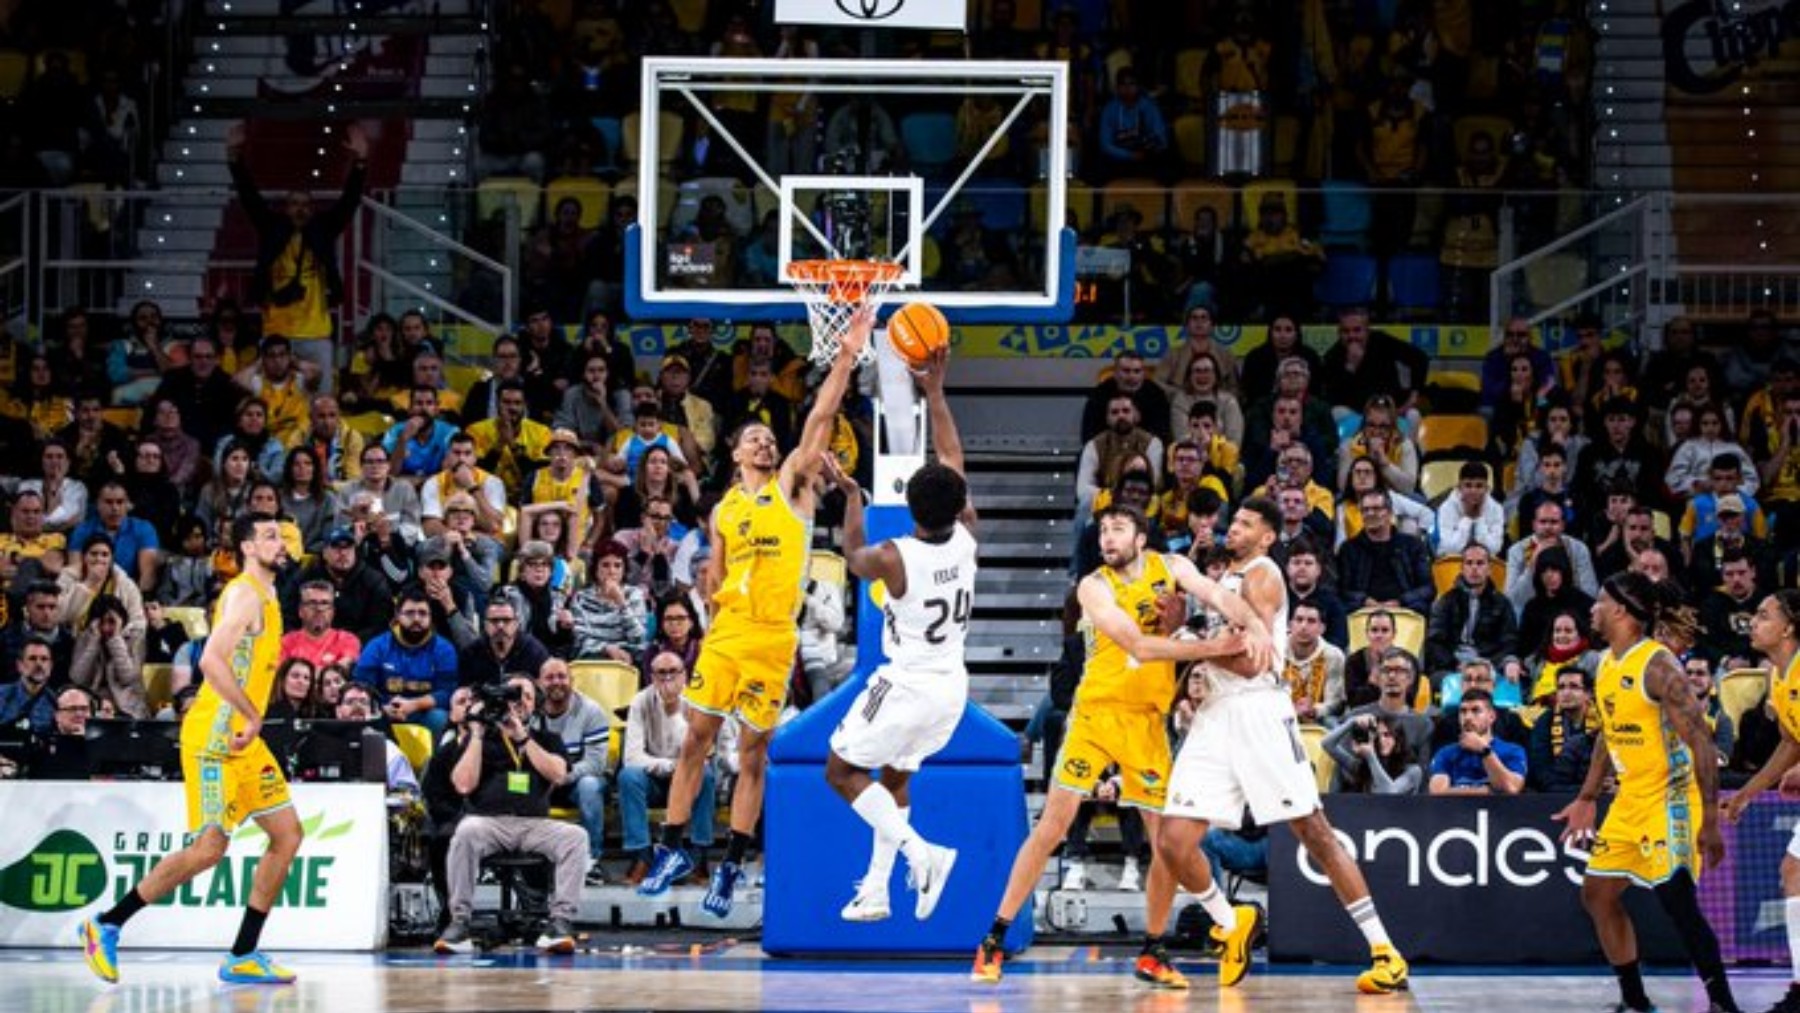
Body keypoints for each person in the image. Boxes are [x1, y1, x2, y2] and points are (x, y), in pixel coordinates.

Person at [971, 503, 1273, 987]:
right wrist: (1212, 648)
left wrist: (1254, 624)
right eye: (1103, 530)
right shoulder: (1092, 587)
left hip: (1148, 722)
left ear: (1141, 537)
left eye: (1118, 529)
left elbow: (1217, 594)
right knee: (1051, 826)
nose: (1107, 538)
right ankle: (994, 940)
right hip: (1095, 717)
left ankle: (1157, 950)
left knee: (1167, 844)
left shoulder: (1171, 567)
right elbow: (1139, 646)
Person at [635, 308, 873, 914]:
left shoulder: (792, 484)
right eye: (754, 438)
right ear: (736, 453)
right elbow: (713, 573)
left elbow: (818, 417)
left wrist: (846, 355)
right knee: (695, 740)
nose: (766, 441)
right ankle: (674, 847)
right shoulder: (722, 511)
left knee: (751, 754)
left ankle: (735, 862)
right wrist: (712, 620)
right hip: (727, 633)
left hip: (773, 636)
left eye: (769, 437)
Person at [1151, 497, 1410, 994]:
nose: (1236, 527)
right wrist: (1176, 628)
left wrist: (1183, 633)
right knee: (1173, 841)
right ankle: (1231, 923)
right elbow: (1207, 652)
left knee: (1315, 832)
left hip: (1258, 711)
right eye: (1237, 519)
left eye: (1247, 523)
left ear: (1268, 537)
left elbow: (1249, 662)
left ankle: (1385, 951)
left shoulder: (1263, 574)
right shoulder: (1224, 581)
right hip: (1213, 716)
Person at [78, 512, 303, 985]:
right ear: (245, 547)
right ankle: (106, 924)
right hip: (215, 739)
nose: (278, 542)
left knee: (287, 835)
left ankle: (243, 953)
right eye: (267, 536)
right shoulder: (244, 594)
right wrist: (251, 713)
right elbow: (213, 662)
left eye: (280, 535)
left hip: (245, 741)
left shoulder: (268, 592)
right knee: (207, 851)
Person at [818, 346, 973, 923]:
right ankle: (878, 889)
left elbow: (850, 551)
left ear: (909, 507)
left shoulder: (893, 556)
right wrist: (934, 393)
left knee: (839, 770)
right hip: (952, 688)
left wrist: (853, 496)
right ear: (960, 506)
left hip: (907, 684)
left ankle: (922, 852)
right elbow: (952, 456)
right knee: (894, 780)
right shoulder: (967, 538)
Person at [1554, 573, 1739, 1013]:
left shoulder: (1659, 667)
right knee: (1596, 894)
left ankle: (1723, 1004)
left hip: (1672, 799)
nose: (1592, 609)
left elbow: (1701, 744)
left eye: (1600, 601)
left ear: (1621, 609)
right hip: (1630, 799)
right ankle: (1635, 1000)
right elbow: (1608, 735)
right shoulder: (1603, 663)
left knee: (1676, 900)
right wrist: (1585, 797)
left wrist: (1710, 822)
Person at [432, 674, 585, 955]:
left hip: (534, 825)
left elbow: (559, 774)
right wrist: (477, 733)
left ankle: (561, 922)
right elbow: (463, 784)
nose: (518, 704)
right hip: (488, 823)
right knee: (464, 831)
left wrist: (522, 737)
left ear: (535, 705)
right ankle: (459, 922)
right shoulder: (480, 739)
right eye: (512, 698)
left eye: (525, 697)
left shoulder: (547, 739)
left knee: (575, 837)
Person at [228, 123, 367, 387]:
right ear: (285, 208)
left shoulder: (323, 231)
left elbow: (349, 201)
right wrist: (234, 159)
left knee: (322, 401)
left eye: (305, 204)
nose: (300, 209)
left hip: (316, 333)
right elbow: (249, 197)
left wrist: (360, 162)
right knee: (273, 399)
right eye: (294, 204)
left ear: (313, 210)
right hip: (276, 333)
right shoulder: (272, 229)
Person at [1722, 590, 1800, 1012]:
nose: (1754, 621)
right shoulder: (1777, 675)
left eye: (1764, 615)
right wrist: (1748, 793)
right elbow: (1791, 741)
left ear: (1788, 627)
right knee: (1794, 871)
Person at [1426, 689, 1527, 795]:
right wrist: (1488, 791)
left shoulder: (1513, 751)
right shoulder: (1445, 753)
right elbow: (1437, 793)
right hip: (1456, 811)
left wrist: (1485, 751)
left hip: (1499, 811)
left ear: (1491, 717)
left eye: (1476, 710)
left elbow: (1512, 788)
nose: (1468, 717)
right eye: (1463, 711)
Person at [1322, 713, 1422, 794]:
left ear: (1398, 739)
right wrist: (1353, 721)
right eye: (1377, 735)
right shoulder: (1363, 768)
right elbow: (1327, 744)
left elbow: (1390, 793)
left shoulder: (1413, 771)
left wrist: (1370, 756)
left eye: (1387, 735)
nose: (1381, 740)